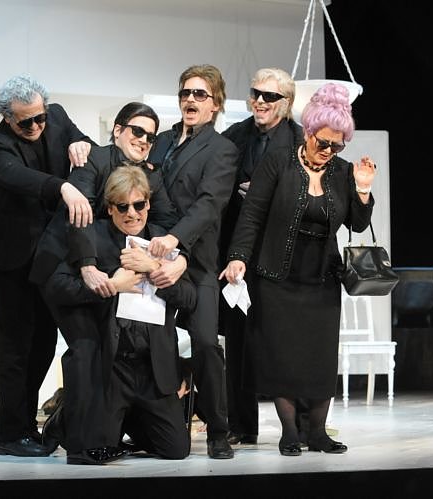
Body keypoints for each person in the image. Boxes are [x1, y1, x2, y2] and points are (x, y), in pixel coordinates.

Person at [220, 82, 376, 456]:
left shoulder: (342, 171)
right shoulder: (278, 162)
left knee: (320, 358)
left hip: (322, 279)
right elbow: (252, 215)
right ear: (309, 131)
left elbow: (356, 224)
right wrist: (238, 256)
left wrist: (363, 189)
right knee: (282, 357)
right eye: (324, 142)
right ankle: (290, 432)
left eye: (337, 145)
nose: (329, 150)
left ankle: (317, 432)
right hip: (277, 276)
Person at [34, 102, 182, 460]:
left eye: (151, 136)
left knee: (112, 348)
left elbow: (168, 223)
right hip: (71, 262)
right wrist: (88, 266)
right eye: (137, 131)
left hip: (115, 262)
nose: (144, 140)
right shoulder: (95, 159)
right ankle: (70, 426)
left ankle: (118, 418)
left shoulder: (152, 177)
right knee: (88, 349)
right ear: (117, 130)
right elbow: (80, 212)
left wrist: (170, 258)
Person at [0, 74, 95, 457]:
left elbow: (86, 146)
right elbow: (16, 176)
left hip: (52, 253)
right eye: (24, 121)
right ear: (7, 118)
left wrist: (82, 143)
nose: (35, 126)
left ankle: (27, 424)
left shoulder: (57, 116)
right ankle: (10, 434)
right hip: (12, 255)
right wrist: (62, 186)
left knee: (44, 344)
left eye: (39, 117)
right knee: (15, 347)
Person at [147, 64, 239, 459]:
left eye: (200, 94)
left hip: (197, 262)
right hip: (151, 258)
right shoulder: (161, 141)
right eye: (186, 92)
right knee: (149, 341)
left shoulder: (223, 149)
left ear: (215, 104)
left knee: (204, 342)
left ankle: (218, 429)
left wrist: (177, 242)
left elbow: (209, 205)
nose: (190, 99)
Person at [219, 68, 306, 446]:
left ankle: (302, 425)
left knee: (286, 341)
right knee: (238, 340)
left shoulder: (300, 140)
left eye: (270, 96)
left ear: (286, 103)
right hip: (237, 251)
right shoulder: (234, 135)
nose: (260, 101)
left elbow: (309, 193)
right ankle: (241, 425)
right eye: (256, 93)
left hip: (282, 255)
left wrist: (268, 192)